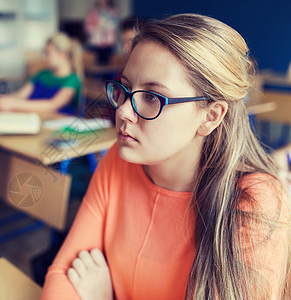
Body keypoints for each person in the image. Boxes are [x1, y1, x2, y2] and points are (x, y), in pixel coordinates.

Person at [41, 14, 290, 299]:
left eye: (152, 97)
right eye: (125, 88)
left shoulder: (256, 202)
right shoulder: (118, 160)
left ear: (210, 116)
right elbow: (64, 275)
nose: (122, 110)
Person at [0, 33, 82, 115]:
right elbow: (20, 95)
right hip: (32, 121)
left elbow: (52, 106)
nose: (44, 57)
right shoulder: (42, 74)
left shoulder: (72, 80)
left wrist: (15, 105)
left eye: (48, 53)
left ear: (62, 54)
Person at [84, 0, 119, 65]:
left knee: (109, 68)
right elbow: (88, 28)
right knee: (95, 68)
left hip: (109, 45)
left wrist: (99, 27)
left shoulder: (113, 11)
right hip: (95, 44)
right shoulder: (92, 11)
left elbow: (113, 27)